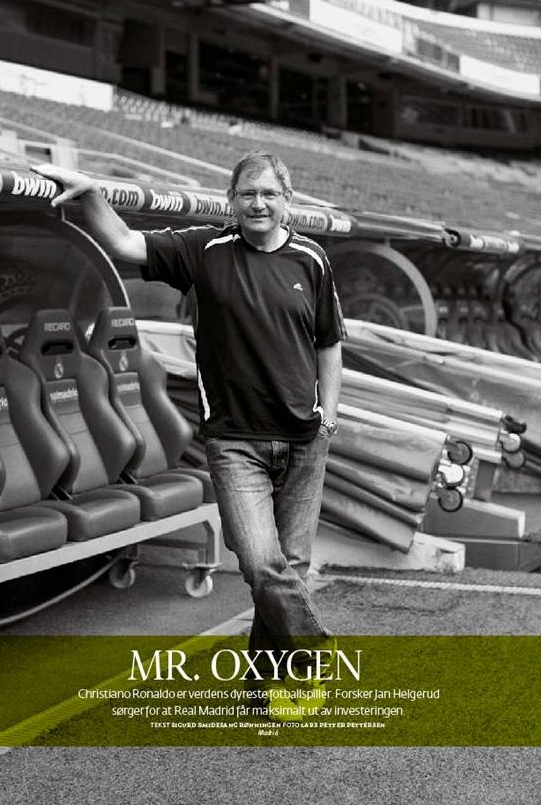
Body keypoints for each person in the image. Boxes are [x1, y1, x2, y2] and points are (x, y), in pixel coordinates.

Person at [49, 151, 344, 698]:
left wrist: (330, 414)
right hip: (236, 442)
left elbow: (328, 342)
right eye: (247, 193)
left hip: (305, 439)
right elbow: (125, 243)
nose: (259, 203)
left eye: (269, 194)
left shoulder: (312, 260)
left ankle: (266, 687)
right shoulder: (203, 251)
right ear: (231, 200)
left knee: (289, 570)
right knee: (261, 563)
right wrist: (92, 194)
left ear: (288, 201)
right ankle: (314, 653)